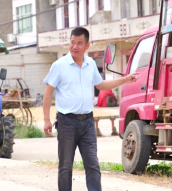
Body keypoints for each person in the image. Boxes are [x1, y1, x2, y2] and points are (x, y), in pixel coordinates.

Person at [42, 27, 136, 191]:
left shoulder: (91, 64)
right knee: (65, 167)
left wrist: (124, 80)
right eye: (72, 42)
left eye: (79, 43)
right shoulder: (59, 65)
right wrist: (46, 120)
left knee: (92, 165)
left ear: (87, 45)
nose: (75, 46)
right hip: (66, 122)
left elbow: (100, 84)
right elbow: (48, 93)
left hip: (87, 122)